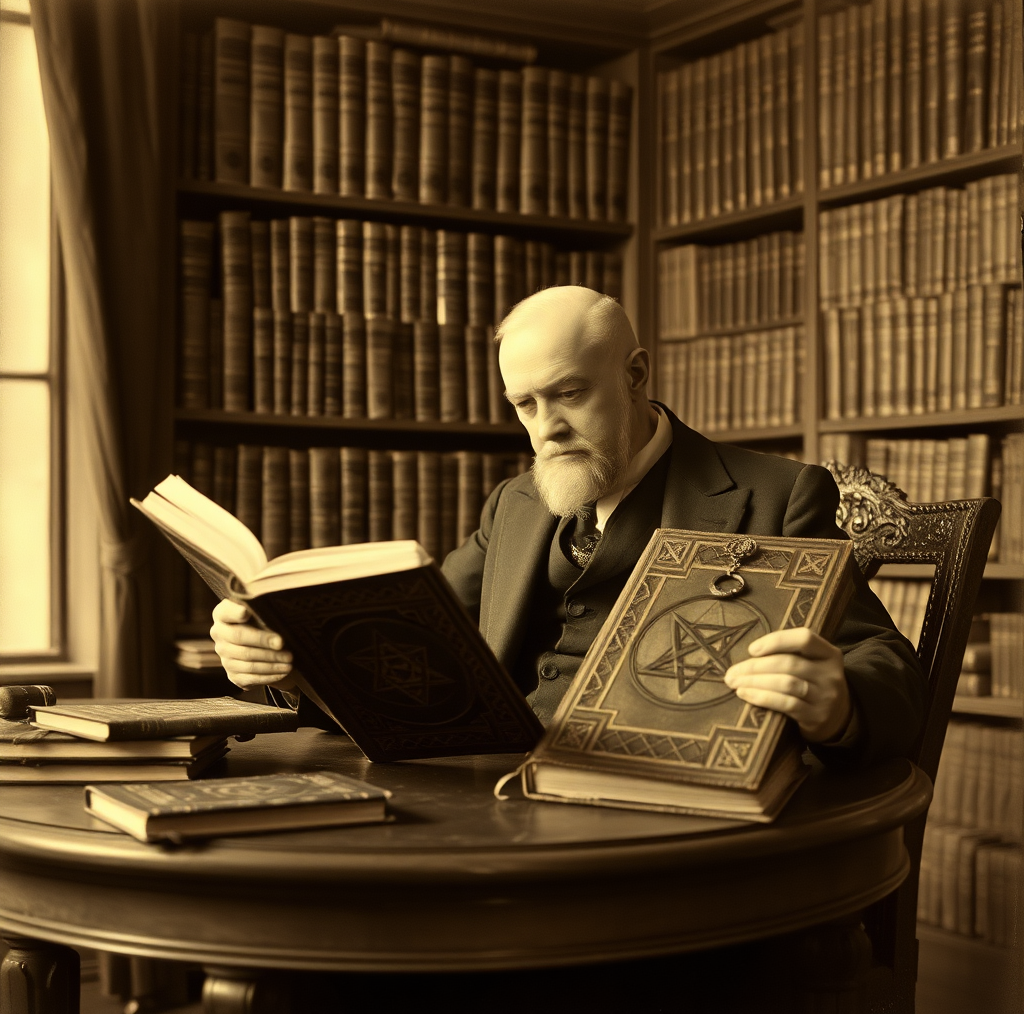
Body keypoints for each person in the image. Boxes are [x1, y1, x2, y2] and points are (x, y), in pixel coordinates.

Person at [212, 286, 925, 766]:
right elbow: (406, 650)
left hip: (655, 816)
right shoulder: (514, 505)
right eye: (524, 404)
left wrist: (838, 706)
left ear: (636, 373)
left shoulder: (778, 494)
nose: (546, 428)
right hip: (489, 795)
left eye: (570, 394)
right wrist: (292, 659)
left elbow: (885, 662)